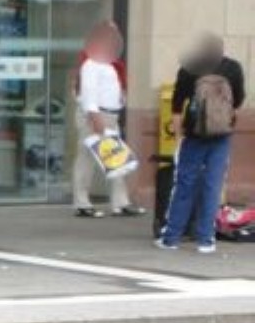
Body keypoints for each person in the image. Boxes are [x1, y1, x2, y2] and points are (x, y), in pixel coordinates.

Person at [157, 32, 246, 254]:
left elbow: (177, 105)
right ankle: (206, 240)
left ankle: (171, 238)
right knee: (213, 186)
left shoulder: (189, 68)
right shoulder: (233, 68)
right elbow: (238, 100)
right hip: (221, 135)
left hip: (195, 136)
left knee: (184, 185)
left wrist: (180, 135)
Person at [73, 21, 143, 219]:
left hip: (110, 115)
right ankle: (82, 202)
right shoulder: (91, 65)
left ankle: (120, 203)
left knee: (117, 159)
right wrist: (95, 117)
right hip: (96, 116)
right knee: (87, 159)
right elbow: (89, 93)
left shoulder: (110, 65)